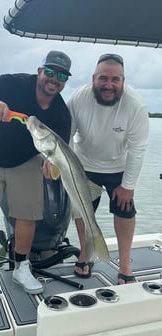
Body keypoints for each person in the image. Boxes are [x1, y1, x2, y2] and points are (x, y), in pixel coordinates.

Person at [0, 50, 72, 301]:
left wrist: (51, 167)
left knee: (27, 217)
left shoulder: (61, 114)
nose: (54, 79)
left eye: (61, 75)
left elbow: (59, 153)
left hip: (26, 162)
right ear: (40, 71)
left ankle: (22, 267)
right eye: (50, 71)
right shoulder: (16, 83)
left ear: (65, 81)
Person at [67, 53, 149, 284]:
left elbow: (137, 149)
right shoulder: (77, 98)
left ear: (123, 81)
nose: (109, 85)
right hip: (83, 165)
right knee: (82, 211)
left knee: (125, 212)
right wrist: (71, 169)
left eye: (115, 79)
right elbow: (67, 134)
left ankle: (124, 266)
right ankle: (86, 253)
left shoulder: (136, 105)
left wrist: (128, 186)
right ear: (94, 78)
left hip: (119, 167)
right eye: (103, 78)